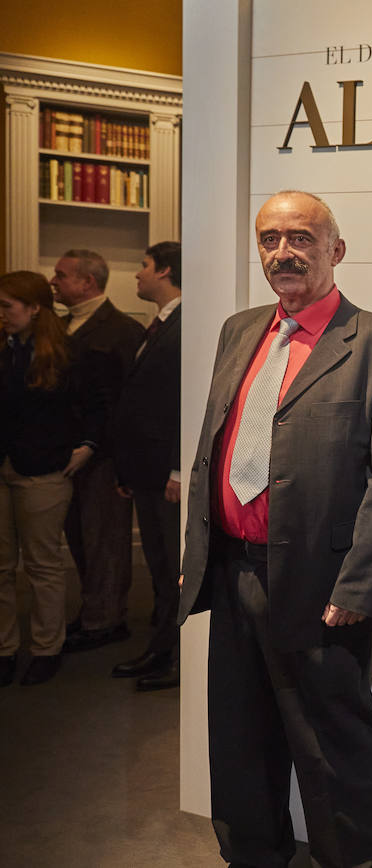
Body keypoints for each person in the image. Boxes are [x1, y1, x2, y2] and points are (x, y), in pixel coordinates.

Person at [179, 191, 372, 867]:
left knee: (331, 749)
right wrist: (198, 552)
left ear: (335, 250)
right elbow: (213, 447)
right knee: (239, 739)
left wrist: (359, 586)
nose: (283, 253)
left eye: (301, 238)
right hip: (233, 572)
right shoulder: (239, 330)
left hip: (323, 588)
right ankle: (253, 855)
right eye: (270, 239)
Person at [0, 271, 108, 686]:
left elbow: (97, 406)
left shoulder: (67, 353)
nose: (2, 314)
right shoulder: (4, 349)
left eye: (7, 306)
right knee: (1, 567)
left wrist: (88, 447)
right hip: (3, 468)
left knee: (43, 565)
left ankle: (47, 648)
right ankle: (5, 649)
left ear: (34, 308)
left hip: (44, 471)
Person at [50, 249, 144, 653]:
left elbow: (127, 401)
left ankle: (106, 620)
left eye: (61, 275)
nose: (53, 281)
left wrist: (103, 449)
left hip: (105, 456)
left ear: (87, 282)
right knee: (78, 537)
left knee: (104, 539)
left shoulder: (123, 330)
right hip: (64, 452)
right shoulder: (57, 326)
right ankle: (93, 610)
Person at [110, 241, 182, 691]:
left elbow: (185, 402)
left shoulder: (186, 324)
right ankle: (160, 648)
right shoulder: (157, 325)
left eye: (144, 266)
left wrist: (178, 469)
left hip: (166, 473)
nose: (138, 274)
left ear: (166, 271)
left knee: (173, 568)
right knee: (158, 567)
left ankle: (174, 657)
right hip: (146, 471)